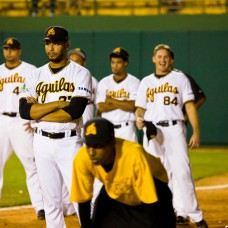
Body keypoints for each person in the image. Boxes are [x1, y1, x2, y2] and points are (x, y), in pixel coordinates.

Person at [19, 26, 92, 227]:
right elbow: (25, 111)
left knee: (80, 198)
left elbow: (74, 111)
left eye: (56, 43)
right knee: (50, 202)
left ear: (66, 45)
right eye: (48, 43)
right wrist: (58, 104)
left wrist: (40, 112)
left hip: (69, 142)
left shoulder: (80, 73)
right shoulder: (34, 75)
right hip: (41, 143)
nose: (51, 47)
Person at [135, 44, 208, 228]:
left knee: (182, 172)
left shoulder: (180, 78)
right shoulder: (146, 81)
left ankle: (195, 215)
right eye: (159, 56)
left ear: (171, 59)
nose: (162, 60)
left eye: (166, 56)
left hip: (175, 129)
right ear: (153, 59)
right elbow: (140, 108)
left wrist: (196, 131)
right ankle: (160, 214)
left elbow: (190, 105)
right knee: (154, 175)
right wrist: (138, 119)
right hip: (152, 131)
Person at [70, 117, 176, 227]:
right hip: (117, 191)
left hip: (155, 190)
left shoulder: (133, 155)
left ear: (112, 143)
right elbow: (83, 201)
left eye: (98, 146)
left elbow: (150, 202)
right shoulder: (83, 157)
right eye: (89, 145)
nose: (91, 152)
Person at [0, 37, 45, 220]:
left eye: (12, 48)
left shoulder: (30, 70)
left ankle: (40, 206)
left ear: (19, 51)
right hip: (1, 120)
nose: (9, 51)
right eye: (6, 48)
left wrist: (33, 118)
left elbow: (38, 96)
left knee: (31, 165)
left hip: (21, 121)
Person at [96, 47, 140, 143]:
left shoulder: (134, 82)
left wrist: (111, 101)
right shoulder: (104, 82)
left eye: (118, 62)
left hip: (127, 129)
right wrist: (123, 103)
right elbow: (101, 107)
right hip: (108, 129)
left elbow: (132, 106)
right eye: (113, 62)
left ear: (126, 63)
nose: (115, 65)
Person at [68, 47, 98, 129]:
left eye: (77, 61)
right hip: (69, 127)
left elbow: (99, 106)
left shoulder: (92, 80)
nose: (74, 63)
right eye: (71, 61)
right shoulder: (63, 80)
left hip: (88, 127)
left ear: (84, 63)